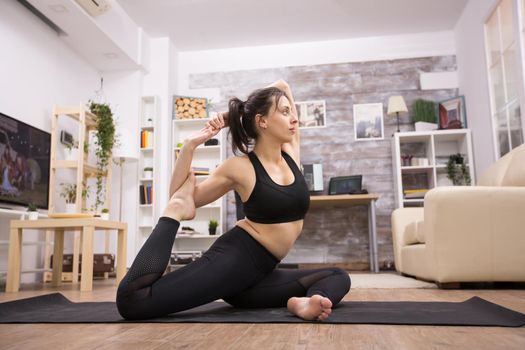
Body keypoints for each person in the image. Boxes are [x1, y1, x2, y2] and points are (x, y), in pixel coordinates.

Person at [116, 80, 351, 321]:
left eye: (291, 111)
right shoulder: (239, 167)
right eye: (284, 111)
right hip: (235, 260)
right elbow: (182, 196)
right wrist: (188, 147)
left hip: (258, 276)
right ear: (262, 121)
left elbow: (283, 85)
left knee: (337, 276)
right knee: (133, 302)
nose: (294, 118)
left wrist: (235, 114)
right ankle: (169, 219)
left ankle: (300, 304)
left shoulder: (290, 153)